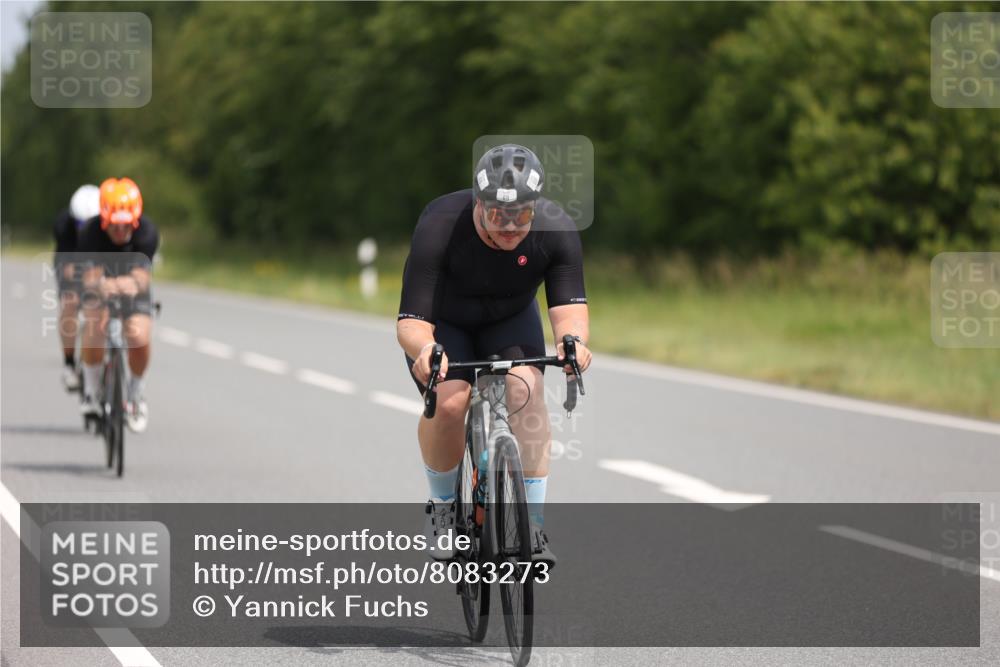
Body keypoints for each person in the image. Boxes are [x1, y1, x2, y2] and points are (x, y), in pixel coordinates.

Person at [397, 144, 592, 565]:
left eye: (521, 215)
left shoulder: (556, 228)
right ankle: (443, 509)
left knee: (527, 390)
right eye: (497, 214)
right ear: (478, 203)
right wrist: (426, 350)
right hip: (444, 323)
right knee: (450, 403)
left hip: (509, 317)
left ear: (535, 209)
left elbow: (570, 312)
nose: (509, 226)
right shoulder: (440, 224)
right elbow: (410, 322)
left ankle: (533, 527)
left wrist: (572, 343)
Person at [77, 177, 159, 433]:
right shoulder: (90, 232)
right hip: (101, 282)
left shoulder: (147, 232)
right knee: (94, 323)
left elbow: (143, 279)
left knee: (138, 334)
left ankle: (135, 393)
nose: (121, 232)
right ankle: (91, 392)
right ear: (103, 219)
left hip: (133, 285)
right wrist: (100, 285)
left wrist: (131, 284)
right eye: (115, 226)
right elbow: (90, 277)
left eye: (127, 226)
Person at [53, 184, 101, 391]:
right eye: (81, 224)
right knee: (71, 302)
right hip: (73, 260)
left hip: (100, 258)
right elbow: (69, 270)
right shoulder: (64, 226)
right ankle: (69, 364)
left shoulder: (108, 226)